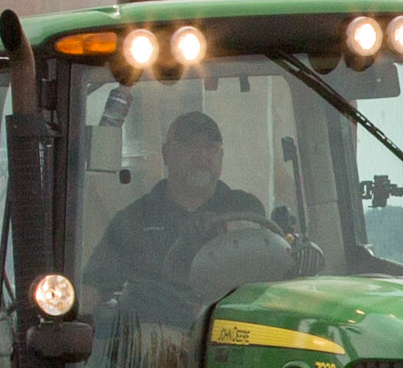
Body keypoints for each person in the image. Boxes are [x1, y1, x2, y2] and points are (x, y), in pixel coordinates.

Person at [100, 106, 281, 325]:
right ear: (166, 154)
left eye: (210, 147)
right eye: (188, 145)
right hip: (151, 343)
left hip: (234, 333)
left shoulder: (246, 209)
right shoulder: (133, 220)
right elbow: (93, 290)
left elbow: (267, 278)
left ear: (221, 155)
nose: (201, 155)